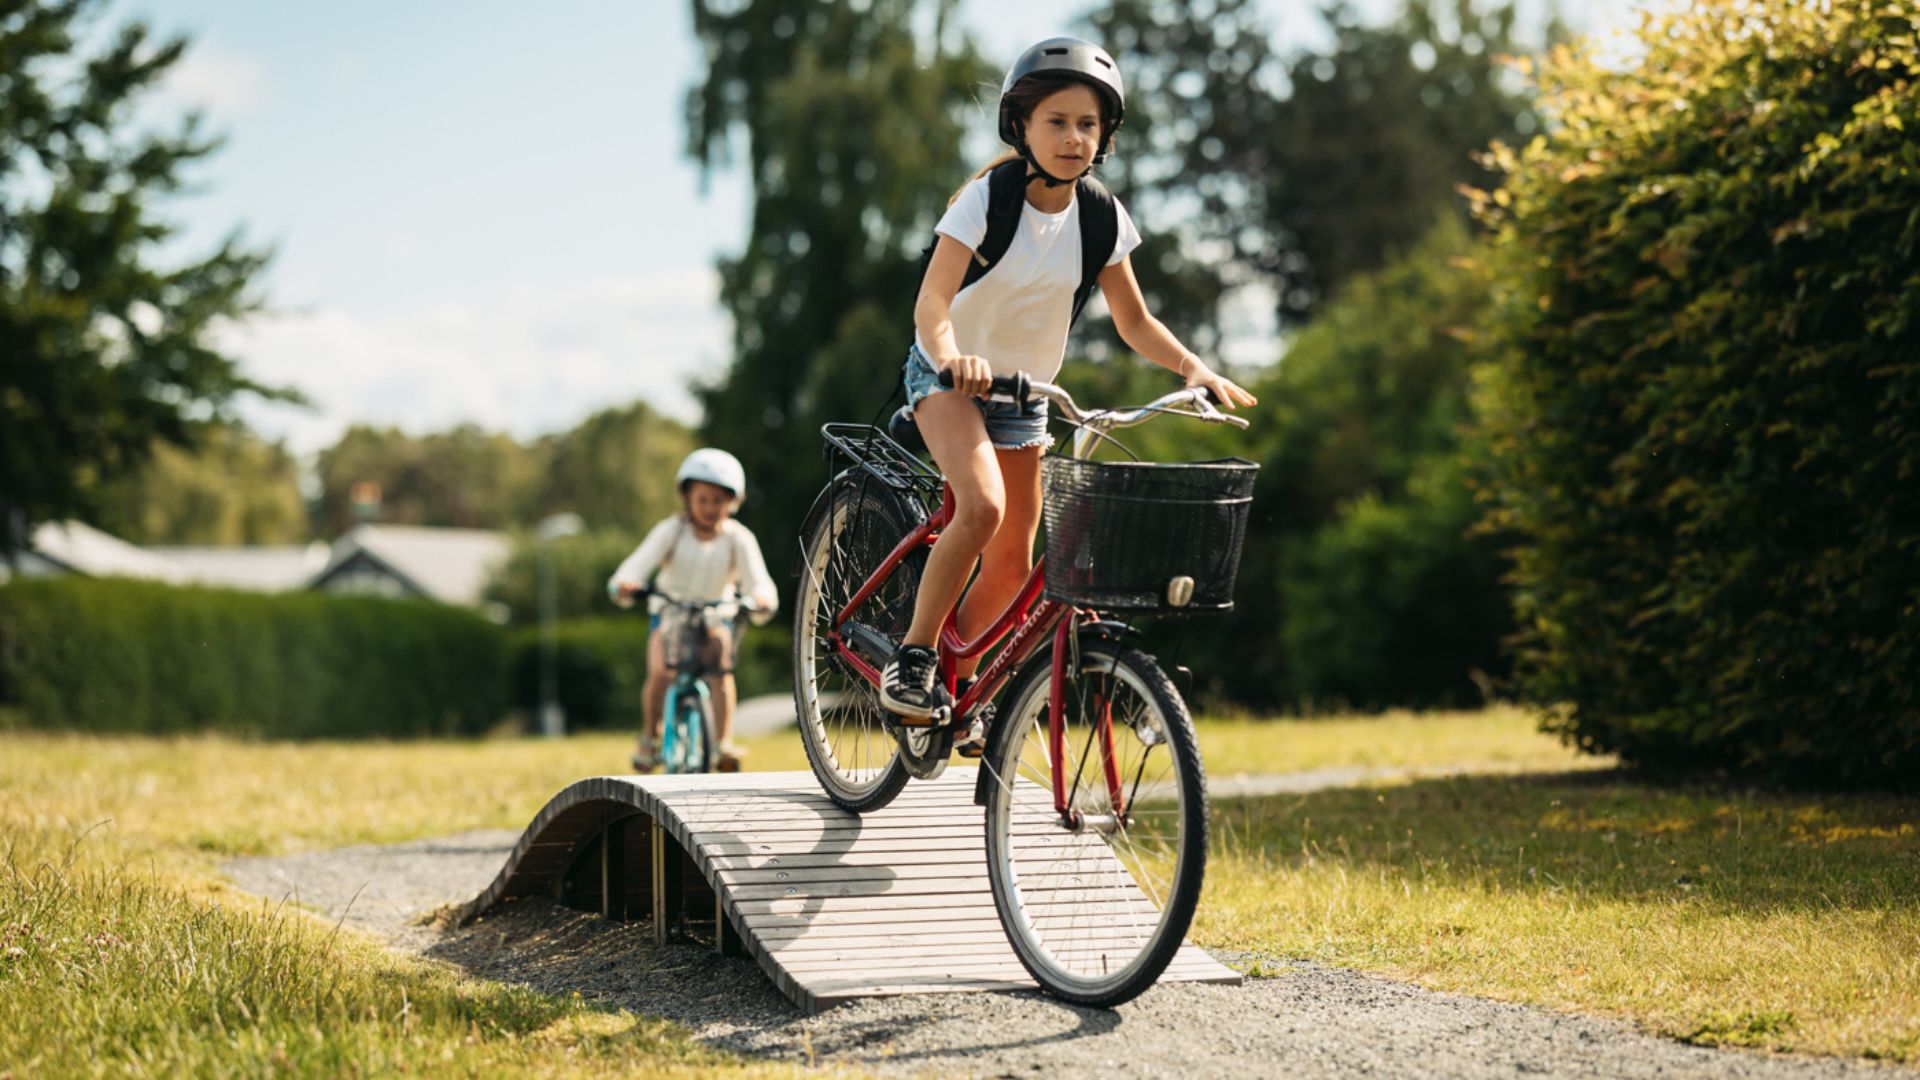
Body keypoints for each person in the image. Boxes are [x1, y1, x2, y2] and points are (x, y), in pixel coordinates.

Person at [879, 36, 1258, 728]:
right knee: (983, 507)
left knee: (1013, 566)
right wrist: (949, 357)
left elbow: (1134, 320)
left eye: (1089, 125)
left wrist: (1191, 367)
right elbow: (931, 302)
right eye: (1057, 121)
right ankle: (913, 659)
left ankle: (955, 698)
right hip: (948, 378)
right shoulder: (984, 199)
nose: (1074, 138)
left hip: (1023, 398)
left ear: (1105, 136)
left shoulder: (1100, 216)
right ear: (1020, 126)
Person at [609, 448, 778, 772]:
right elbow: (637, 565)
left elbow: (759, 581)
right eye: (703, 499)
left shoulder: (738, 539)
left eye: (719, 500)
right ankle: (650, 737)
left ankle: (722, 744)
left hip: (715, 615)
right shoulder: (670, 531)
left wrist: (761, 599)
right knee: (660, 671)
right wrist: (626, 584)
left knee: (721, 671)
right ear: (687, 498)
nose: (711, 507)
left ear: (732, 502)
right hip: (670, 614)